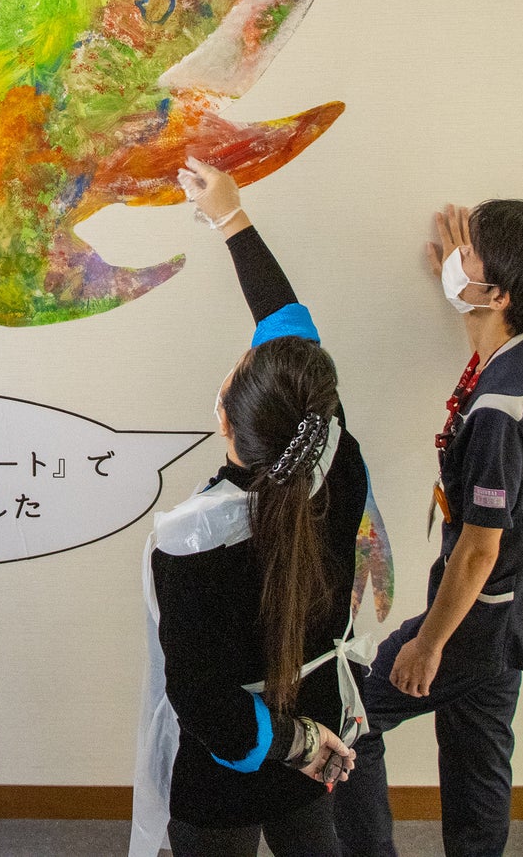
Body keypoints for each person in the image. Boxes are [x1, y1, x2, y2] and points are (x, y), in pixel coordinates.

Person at [129, 159, 377, 857]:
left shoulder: (192, 542)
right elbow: (287, 327)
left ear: (224, 420)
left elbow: (204, 704)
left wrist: (292, 744)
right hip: (320, 731)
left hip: (235, 762)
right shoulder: (336, 455)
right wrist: (231, 217)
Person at [334, 200, 523, 857]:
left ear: (499, 294)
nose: (458, 257)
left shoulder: (500, 412)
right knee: (479, 756)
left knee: (351, 716)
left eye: (469, 254)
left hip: (479, 618)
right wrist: (462, 284)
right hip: (516, 608)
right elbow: (488, 337)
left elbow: (478, 550)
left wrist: (429, 645)